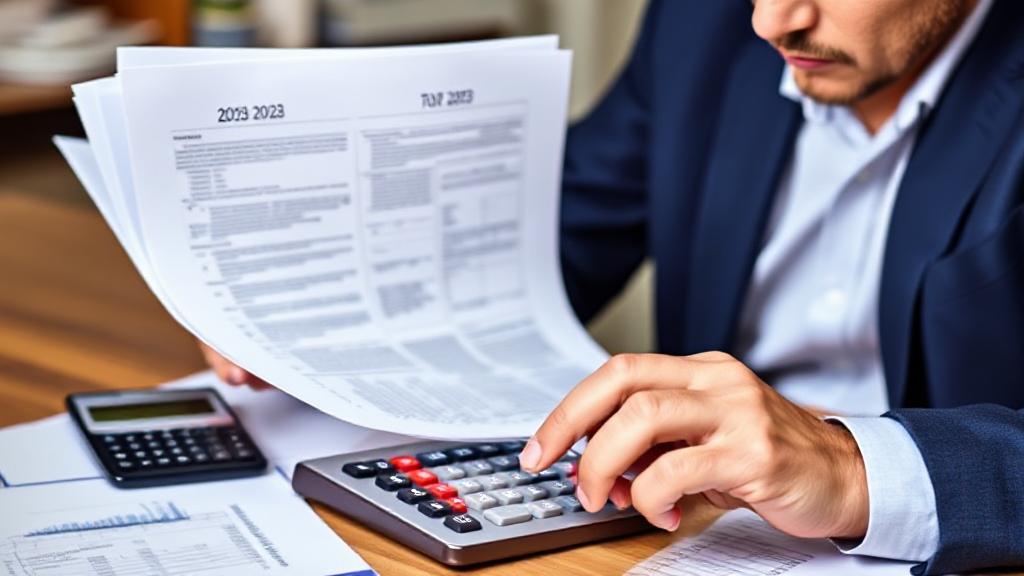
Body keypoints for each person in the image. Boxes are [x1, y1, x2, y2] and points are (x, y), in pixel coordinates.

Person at [201, 0, 1024, 572]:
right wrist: (312, 312)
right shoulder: (703, 24)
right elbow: (552, 239)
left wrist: (852, 470)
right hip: (686, 530)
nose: (773, 23)